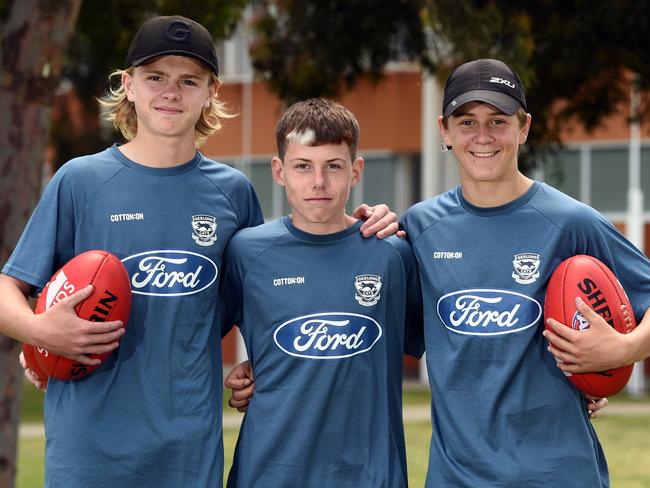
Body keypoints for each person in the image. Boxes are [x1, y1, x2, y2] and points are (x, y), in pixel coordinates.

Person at [0, 15, 399, 487]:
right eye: (156, 77)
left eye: (189, 80)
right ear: (128, 85)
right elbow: (10, 287)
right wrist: (40, 331)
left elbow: (272, 292)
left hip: (190, 449)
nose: (171, 92)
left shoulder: (232, 193)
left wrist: (360, 227)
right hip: (88, 447)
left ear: (211, 91)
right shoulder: (79, 180)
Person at [398, 58, 650, 487]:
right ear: (444, 130)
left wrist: (623, 349)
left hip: (558, 474)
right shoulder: (420, 228)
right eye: (467, 121)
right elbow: (369, 329)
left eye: (498, 120)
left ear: (524, 127)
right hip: (457, 477)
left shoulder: (571, 221)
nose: (483, 136)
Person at [220, 98, 423, 487]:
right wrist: (247, 370)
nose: (318, 181)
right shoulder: (246, 252)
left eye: (333, 166)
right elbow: (190, 333)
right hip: (268, 473)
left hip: (370, 476)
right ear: (278, 171)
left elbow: (454, 349)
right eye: (303, 166)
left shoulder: (393, 254)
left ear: (356, 170)